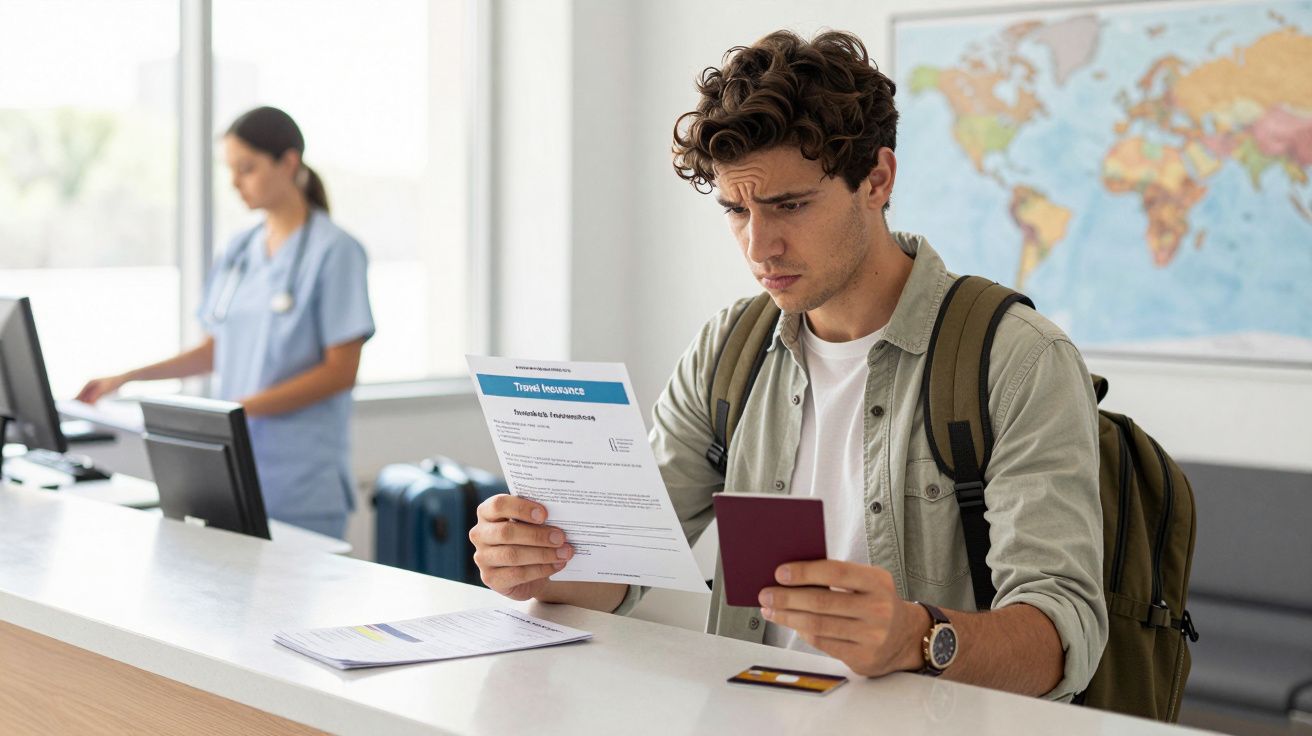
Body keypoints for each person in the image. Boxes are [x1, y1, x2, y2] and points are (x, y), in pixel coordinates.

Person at [468, 31, 1107, 700]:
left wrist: (917, 639)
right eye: (735, 210)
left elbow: (1063, 639)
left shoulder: (1019, 359)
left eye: (790, 206)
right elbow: (621, 570)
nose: (758, 246)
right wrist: (539, 565)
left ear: (877, 180)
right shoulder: (728, 350)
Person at [78, 106, 374, 539]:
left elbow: (340, 372)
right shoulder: (239, 250)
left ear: (288, 163)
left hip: (299, 481)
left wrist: (236, 411)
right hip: (231, 473)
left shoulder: (336, 251)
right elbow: (215, 348)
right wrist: (127, 377)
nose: (235, 182)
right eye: (231, 170)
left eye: (247, 168)